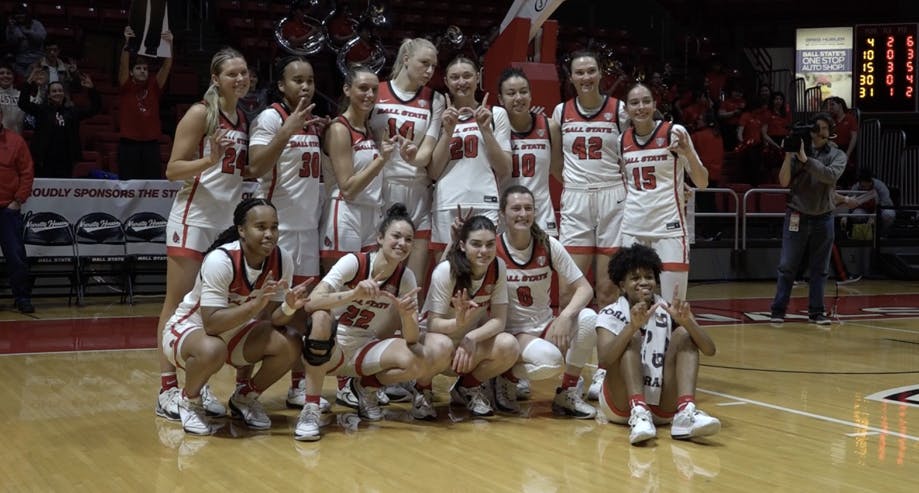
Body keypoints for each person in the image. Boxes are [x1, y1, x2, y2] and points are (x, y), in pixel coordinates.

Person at [156, 47, 250, 422]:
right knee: (177, 303)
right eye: (232, 74)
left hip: (224, 225)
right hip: (193, 219)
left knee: (208, 307)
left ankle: (198, 382)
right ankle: (166, 387)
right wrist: (209, 160)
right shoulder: (200, 113)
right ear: (215, 79)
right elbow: (172, 169)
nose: (240, 79)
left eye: (244, 73)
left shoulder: (242, 117)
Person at [162, 198, 303, 435]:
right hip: (188, 331)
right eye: (261, 227)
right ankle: (190, 401)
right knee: (212, 348)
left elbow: (272, 320)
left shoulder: (282, 259)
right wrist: (254, 305)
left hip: (235, 333)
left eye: (274, 227)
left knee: (290, 341)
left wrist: (289, 308)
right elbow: (211, 324)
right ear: (242, 230)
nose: (269, 234)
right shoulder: (221, 260)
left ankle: (245, 397)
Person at [304, 204, 453, 427]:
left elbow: (412, 339)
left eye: (409, 239)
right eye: (396, 236)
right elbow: (311, 302)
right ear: (380, 238)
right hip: (332, 348)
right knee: (320, 317)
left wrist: (406, 315)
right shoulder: (355, 262)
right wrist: (353, 294)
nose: (402, 243)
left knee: (419, 361)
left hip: (364, 348)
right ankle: (311, 408)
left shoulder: (406, 277)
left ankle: (365, 387)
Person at [248, 55, 330, 411]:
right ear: (281, 85)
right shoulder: (271, 117)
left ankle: (298, 386)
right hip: (275, 230)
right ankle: (245, 387)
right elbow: (255, 166)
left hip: (306, 230)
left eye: (310, 80)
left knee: (300, 311)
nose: (306, 86)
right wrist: (287, 131)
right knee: (264, 311)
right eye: (298, 80)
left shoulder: (311, 122)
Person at [596, 244, 720, 445]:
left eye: (649, 277)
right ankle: (638, 410)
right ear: (622, 285)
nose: (644, 282)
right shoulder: (610, 313)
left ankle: (685, 413)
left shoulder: (669, 309)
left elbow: (709, 349)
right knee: (631, 338)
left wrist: (687, 323)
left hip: (662, 402)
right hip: (620, 403)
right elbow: (605, 360)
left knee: (684, 335)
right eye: (635, 278)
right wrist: (631, 327)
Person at [495, 185, 597, 418]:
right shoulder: (494, 248)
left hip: (544, 327)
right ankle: (504, 377)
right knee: (550, 361)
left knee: (589, 319)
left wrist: (565, 316)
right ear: (503, 213)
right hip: (510, 334)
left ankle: (567, 392)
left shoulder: (548, 245)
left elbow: (585, 288)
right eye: (516, 208)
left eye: (528, 208)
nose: (523, 214)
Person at [551, 51, 630, 308]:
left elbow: (630, 157)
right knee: (568, 292)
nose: (586, 77)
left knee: (608, 291)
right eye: (580, 72)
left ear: (600, 73)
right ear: (571, 77)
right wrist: (577, 183)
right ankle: (575, 336)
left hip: (613, 197)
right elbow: (555, 164)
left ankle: (606, 335)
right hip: (576, 196)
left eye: (591, 71)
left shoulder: (619, 110)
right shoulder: (561, 112)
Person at [619, 83, 708, 308]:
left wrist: (688, 153)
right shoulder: (621, 140)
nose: (641, 107)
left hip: (669, 228)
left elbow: (702, 182)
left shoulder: (674, 133)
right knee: (635, 307)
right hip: (633, 228)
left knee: (673, 307)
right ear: (626, 110)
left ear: (655, 104)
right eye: (634, 103)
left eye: (646, 101)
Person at [369, 37, 445, 296]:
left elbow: (427, 152)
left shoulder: (435, 99)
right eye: (424, 63)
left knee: (413, 281)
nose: (430, 71)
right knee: (378, 273)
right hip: (382, 186)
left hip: (418, 189)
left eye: (433, 66)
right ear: (406, 59)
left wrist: (413, 156)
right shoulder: (376, 91)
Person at [421, 215, 518, 417]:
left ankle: (467, 387)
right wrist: (458, 323)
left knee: (509, 345)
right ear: (462, 246)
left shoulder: (498, 267)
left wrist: (472, 337)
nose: (484, 251)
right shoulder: (446, 271)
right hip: (434, 344)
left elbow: (499, 320)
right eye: (476, 244)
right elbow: (432, 324)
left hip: (467, 344)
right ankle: (422, 390)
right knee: (442, 345)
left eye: (489, 244)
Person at [429, 56, 512, 261]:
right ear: (446, 82)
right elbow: (433, 172)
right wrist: (448, 132)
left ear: (478, 77)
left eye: (467, 76)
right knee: (446, 269)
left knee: (483, 268)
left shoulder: (496, 114)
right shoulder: (440, 116)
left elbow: (504, 168)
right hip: (447, 202)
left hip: (485, 201)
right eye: (454, 77)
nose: (461, 82)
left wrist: (485, 130)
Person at [769, 112, 846, 325]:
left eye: (824, 128)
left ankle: (817, 312)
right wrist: (788, 155)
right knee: (787, 265)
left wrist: (805, 160)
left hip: (824, 217)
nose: (819, 132)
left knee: (820, 269)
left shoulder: (837, 155)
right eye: (816, 128)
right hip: (797, 214)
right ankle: (778, 310)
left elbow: (830, 176)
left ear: (830, 132)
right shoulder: (798, 151)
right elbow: (783, 182)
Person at [319, 64, 395, 273]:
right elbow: (348, 188)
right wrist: (381, 159)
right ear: (347, 89)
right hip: (345, 210)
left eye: (374, 89)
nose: (369, 94)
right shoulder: (339, 128)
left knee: (366, 282)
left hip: (371, 210)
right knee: (339, 283)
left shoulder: (368, 129)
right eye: (363, 88)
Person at [497, 68, 562, 238]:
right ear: (501, 99)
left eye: (523, 91)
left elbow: (557, 170)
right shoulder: (494, 129)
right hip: (505, 215)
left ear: (531, 95)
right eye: (511, 93)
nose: (518, 98)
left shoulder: (550, 127)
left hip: (541, 214)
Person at [117, 26, 174, 180]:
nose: (143, 71)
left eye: (145, 69)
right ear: (131, 72)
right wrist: (127, 43)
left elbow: (166, 66)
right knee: (128, 185)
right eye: (138, 68)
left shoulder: (154, 86)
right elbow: (123, 64)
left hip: (151, 145)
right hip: (129, 144)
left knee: (152, 183)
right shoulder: (126, 86)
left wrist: (169, 44)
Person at [18, 75, 100, 178]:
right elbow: (23, 103)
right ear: (48, 95)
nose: (57, 93)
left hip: (66, 161)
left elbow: (95, 109)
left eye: (60, 91)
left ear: (64, 94)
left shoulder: (73, 112)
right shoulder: (42, 110)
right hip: (44, 161)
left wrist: (91, 89)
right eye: (54, 91)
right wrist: (29, 82)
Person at [0, 106, 35, 313]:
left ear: (1, 116)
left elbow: (27, 173)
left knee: (16, 256)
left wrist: (19, 200)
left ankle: (22, 298)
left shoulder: (16, 141)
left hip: (8, 209)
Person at [845, 168, 895, 238]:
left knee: (889, 214)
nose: (866, 188)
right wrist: (845, 216)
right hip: (864, 210)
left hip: (880, 210)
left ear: (871, 181)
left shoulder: (880, 186)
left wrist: (873, 216)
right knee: (856, 215)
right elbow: (849, 202)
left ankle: (882, 235)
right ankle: (863, 234)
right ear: (859, 182)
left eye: (867, 185)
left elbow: (885, 202)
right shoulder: (856, 187)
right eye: (863, 186)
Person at [825, 97, 858, 187]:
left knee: (847, 176)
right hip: (833, 150)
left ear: (840, 105)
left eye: (832, 105)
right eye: (829, 105)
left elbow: (854, 137)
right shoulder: (831, 121)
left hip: (846, 148)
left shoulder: (850, 118)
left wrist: (848, 153)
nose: (830, 108)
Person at [5, 6, 46, 77]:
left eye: (22, 14)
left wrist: (27, 31)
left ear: (26, 14)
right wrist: (12, 29)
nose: (19, 16)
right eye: (17, 14)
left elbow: (41, 38)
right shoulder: (11, 27)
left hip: (36, 60)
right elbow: (11, 43)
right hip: (19, 61)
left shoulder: (36, 24)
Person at [0, 63, 25, 134]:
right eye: (1, 73)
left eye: (8, 73)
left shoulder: (21, 95)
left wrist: (41, 88)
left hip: (17, 137)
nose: (5, 75)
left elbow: (38, 102)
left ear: (14, 77)